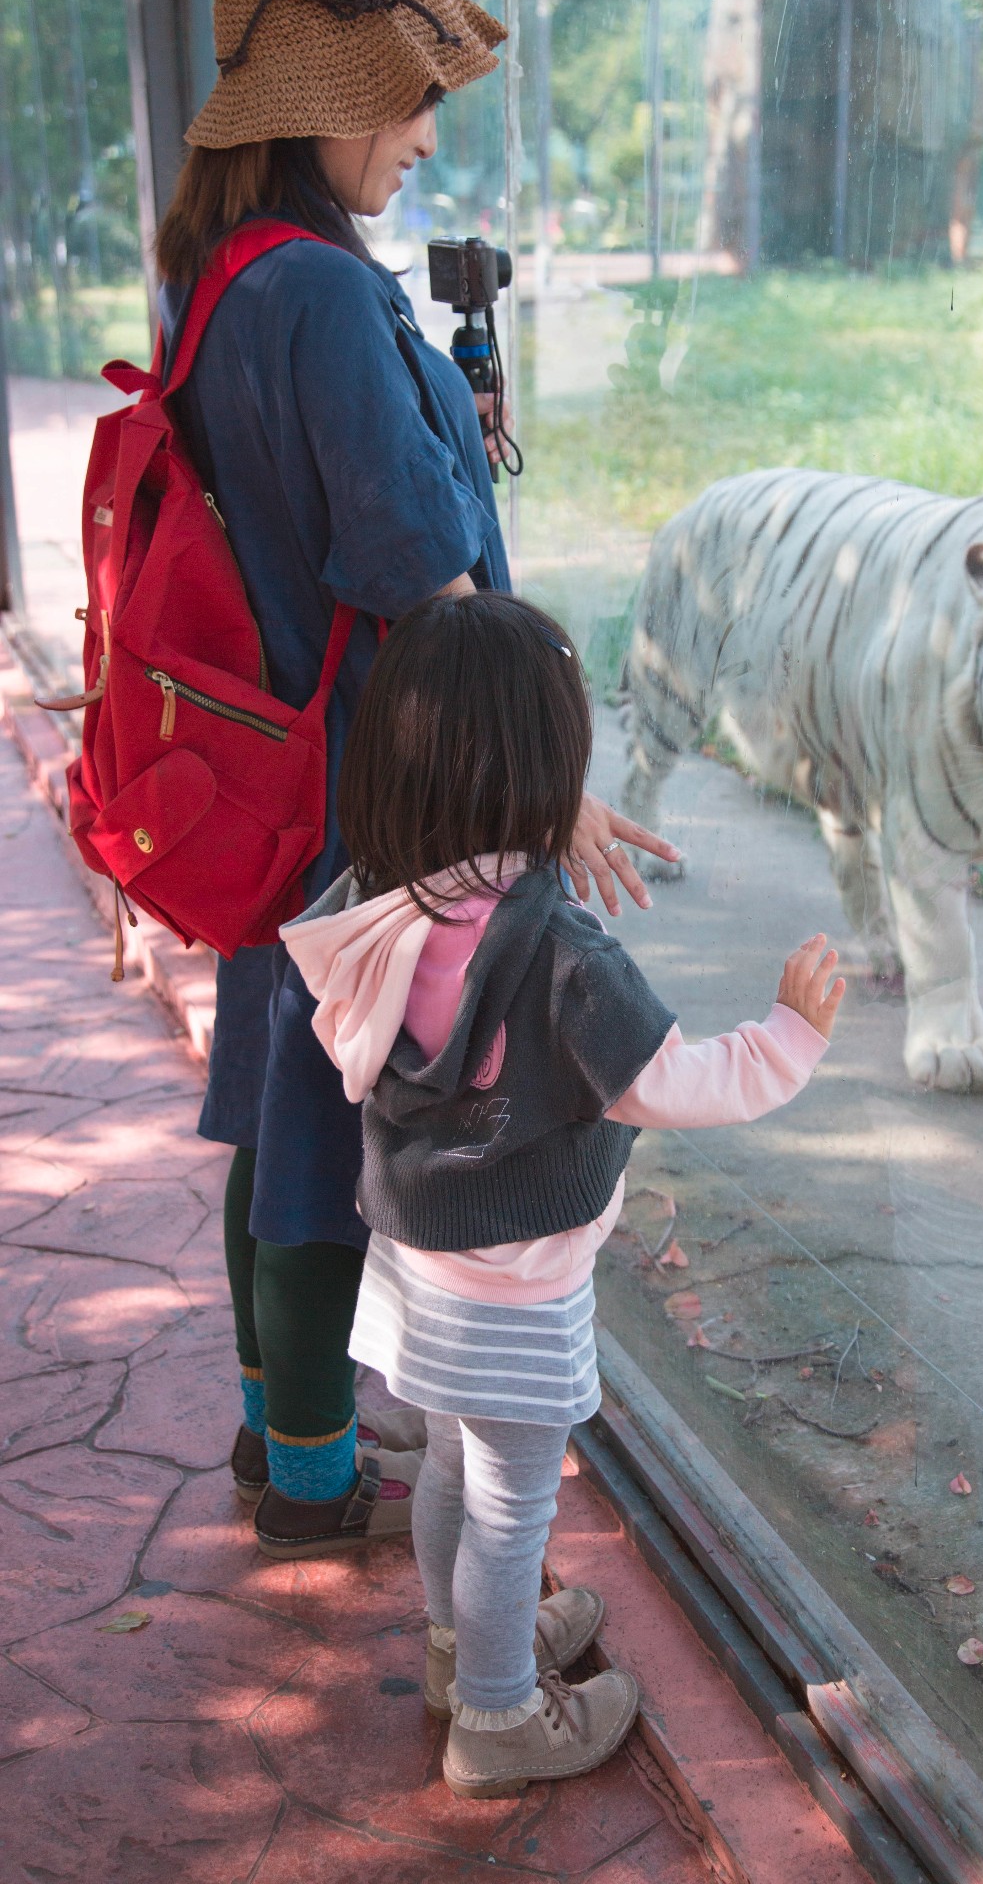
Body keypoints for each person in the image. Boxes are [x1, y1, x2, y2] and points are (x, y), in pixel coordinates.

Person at [155, 0, 676, 1557]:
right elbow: (412, 571)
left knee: (267, 1108)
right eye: (416, 94)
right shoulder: (315, 291)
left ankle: (270, 1418)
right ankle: (314, 1479)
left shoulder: (234, 274)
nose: (429, 139)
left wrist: (443, 396)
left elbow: (336, 498)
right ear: (333, 89)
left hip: (273, 777)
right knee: (317, 1131)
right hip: (365, 808)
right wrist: (554, 790)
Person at [281, 592, 844, 1796]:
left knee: (447, 1467)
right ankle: (494, 1715)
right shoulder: (557, 946)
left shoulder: (381, 897)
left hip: (418, 1265)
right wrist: (789, 1034)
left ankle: (459, 1647)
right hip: (519, 1292)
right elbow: (668, 1082)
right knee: (510, 1511)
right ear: (550, 763)